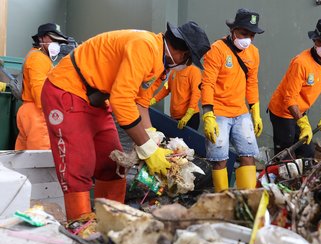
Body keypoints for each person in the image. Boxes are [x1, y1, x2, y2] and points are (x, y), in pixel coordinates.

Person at [41, 22, 210, 221]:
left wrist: (154, 140)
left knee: (113, 164)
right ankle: (82, 229)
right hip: (67, 90)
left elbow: (140, 102)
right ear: (182, 51)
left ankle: (111, 223)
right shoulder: (145, 46)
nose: (187, 64)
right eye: (189, 59)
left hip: (95, 98)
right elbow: (121, 100)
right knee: (78, 166)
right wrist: (148, 150)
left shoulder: (161, 63)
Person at [201, 8, 264, 192]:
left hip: (241, 112)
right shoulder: (217, 50)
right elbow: (208, 84)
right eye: (244, 33)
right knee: (219, 159)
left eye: (252, 35)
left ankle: (248, 199)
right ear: (233, 30)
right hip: (218, 112)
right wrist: (208, 115)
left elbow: (252, 83)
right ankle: (222, 197)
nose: (248, 39)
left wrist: (255, 112)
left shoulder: (254, 53)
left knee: (248, 156)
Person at [268, 17, 321, 158]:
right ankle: (279, 178)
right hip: (283, 112)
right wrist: (302, 123)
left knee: (307, 153)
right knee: (286, 155)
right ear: (314, 40)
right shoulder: (301, 63)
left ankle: (302, 179)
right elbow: (289, 99)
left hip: (300, 111)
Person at [15, 23, 70, 150]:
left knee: (23, 157)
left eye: (59, 41)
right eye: (53, 39)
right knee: (40, 157)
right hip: (38, 112)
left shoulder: (37, 56)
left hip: (28, 111)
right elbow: (40, 93)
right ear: (41, 38)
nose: (57, 43)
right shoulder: (38, 58)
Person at [150, 64, 202, 130]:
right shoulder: (174, 71)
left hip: (190, 118)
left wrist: (188, 114)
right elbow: (167, 88)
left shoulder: (194, 71)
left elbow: (196, 93)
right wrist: (153, 100)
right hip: (175, 117)